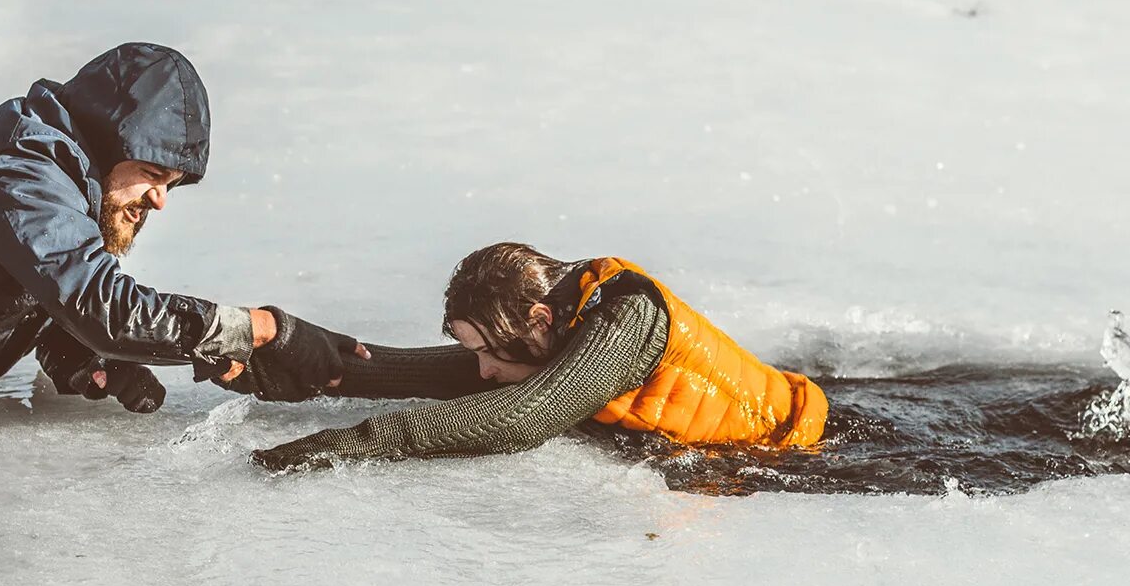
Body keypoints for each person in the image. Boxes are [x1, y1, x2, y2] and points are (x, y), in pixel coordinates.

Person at [0, 42, 364, 412]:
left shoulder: (68, 188)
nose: (159, 200)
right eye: (152, 173)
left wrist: (70, 345)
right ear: (106, 141)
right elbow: (103, 307)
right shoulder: (26, 168)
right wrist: (258, 331)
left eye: (170, 185)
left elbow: (39, 279)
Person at [252, 242, 828, 470]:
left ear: (539, 319)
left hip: (803, 446)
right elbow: (440, 371)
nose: (483, 369)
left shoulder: (630, 323)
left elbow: (524, 415)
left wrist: (357, 441)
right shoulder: (554, 331)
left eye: (488, 350)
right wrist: (298, 356)